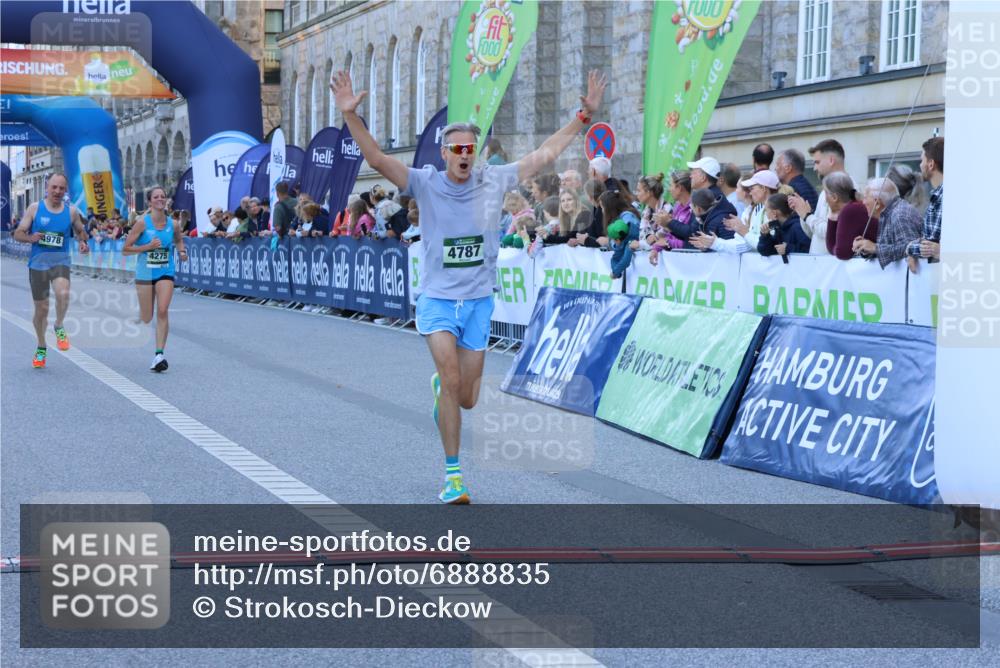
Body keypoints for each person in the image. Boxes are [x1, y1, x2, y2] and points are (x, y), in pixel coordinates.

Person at [332, 67, 607, 504]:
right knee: (448, 370)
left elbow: (544, 154)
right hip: (438, 300)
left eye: (469, 147)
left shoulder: (493, 180)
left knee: (468, 399)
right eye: (456, 148)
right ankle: (454, 476)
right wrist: (351, 116)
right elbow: (379, 160)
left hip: (478, 302)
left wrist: (583, 118)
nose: (464, 154)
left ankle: (447, 392)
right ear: (444, 153)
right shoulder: (424, 182)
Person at [13, 173, 90, 368]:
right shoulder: (35, 208)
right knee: (42, 310)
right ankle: (41, 346)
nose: (57, 191)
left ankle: (59, 325)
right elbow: (18, 233)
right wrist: (30, 238)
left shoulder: (71, 211)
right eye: (54, 187)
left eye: (61, 188)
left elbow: (81, 230)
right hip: (38, 264)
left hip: (60, 262)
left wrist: (83, 242)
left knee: (63, 293)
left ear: (65, 191)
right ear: (47, 187)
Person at [123, 185, 187, 372]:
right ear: (150, 202)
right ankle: (143, 312)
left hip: (165, 271)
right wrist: (147, 247)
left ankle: (159, 355)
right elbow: (126, 249)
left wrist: (182, 251)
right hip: (145, 273)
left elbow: (179, 239)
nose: (160, 199)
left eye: (163, 196)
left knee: (162, 310)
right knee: (146, 316)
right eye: (156, 197)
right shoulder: (142, 223)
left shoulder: (173, 224)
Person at [789, 138, 847, 255]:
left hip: (832, 266)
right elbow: (814, 233)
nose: (815, 168)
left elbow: (832, 231)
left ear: (831, 160)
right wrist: (803, 214)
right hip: (820, 265)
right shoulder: (825, 190)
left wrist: (807, 216)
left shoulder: (846, 188)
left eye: (817, 162)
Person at [852, 177, 922, 268]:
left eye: (865, 198)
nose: (863, 202)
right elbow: (892, 251)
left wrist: (875, 248)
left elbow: (911, 248)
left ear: (877, 203)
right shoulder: (890, 212)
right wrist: (866, 249)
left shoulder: (899, 214)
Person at [709, 169, 781, 254]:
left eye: (752, 188)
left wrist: (744, 232)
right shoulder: (758, 211)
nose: (750, 193)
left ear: (764, 188)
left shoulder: (776, 211)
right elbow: (749, 243)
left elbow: (767, 246)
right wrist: (714, 243)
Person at [906, 136, 944, 269]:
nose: (920, 165)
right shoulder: (938, 195)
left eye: (922, 160)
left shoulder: (942, 196)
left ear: (931, 164)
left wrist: (911, 249)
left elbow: (928, 245)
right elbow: (927, 243)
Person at [823, 172, 876, 260]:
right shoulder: (854, 206)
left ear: (834, 197)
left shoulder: (850, 210)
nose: (825, 199)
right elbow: (835, 249)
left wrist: (832, 215)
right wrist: (833, 214)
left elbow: (842, 253)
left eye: (826, 193)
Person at [631, 173, 682, 254]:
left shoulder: (667, 209)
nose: (637, 194)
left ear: (649, 192)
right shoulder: (646, 211)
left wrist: (640, 244)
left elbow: (658, 241)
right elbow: (643, 237)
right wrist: (647, 239)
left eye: (639, 191)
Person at [599, 190, 640, 279]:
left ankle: (616, 272)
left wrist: (615, 272)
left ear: (608, 208)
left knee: (620, 258)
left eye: (602, 207)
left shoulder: (627, 217)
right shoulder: (618, 219)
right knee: (614, 259)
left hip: (632, 245)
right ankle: (617, 273)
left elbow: (625, 257)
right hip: (623, 246)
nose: (602, 211)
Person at [758, 192, 809, 259]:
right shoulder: (779, 228)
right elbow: (765, 251)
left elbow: (809, 250)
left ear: (774, 213)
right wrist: (765, 236)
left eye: (766, 211)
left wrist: (788, 248)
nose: (766, 215)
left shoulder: (797, 227)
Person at [774, 148, 819, 213]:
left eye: (778, 165)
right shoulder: (805, 185)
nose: (775, 169)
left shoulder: (793, 191)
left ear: (788, 168)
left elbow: (794, 219)